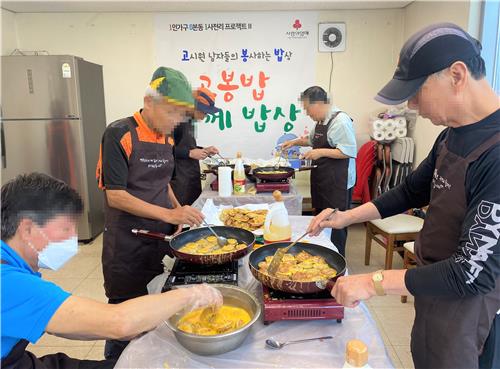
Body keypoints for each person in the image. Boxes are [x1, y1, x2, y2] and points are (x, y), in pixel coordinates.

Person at [308, 23, 499, 369]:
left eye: (417, 90)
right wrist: (346, 216)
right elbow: (411, 191)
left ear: (457, 75)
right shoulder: (451, 136)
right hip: (430, 285)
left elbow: (472, 272)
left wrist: (373, 281)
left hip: (467, 303)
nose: (411, 105)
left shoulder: (496, 154)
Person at [1, 172, 222, 369]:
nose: (72, 239)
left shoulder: (12, 267)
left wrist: (139, 324)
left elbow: (64, 324)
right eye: (65, 229)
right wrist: (192, 294)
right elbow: (119, 322)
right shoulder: (9, 283)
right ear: (28, 229)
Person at [95, 66, 205, 360]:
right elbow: (116, 196)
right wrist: (169, 216)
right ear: (149, 102)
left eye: (181, 115)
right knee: (125, 319)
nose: (176, 121)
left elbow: (163, 183)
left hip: (158, 240)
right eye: (171, 113)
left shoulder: (166, 137)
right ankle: (114, 363)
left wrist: (177, 208)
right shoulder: (119, 133)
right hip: (126, 245)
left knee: (155, 310)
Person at [282, 86, 356, 256]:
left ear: (319, 104)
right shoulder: (322, 121)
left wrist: (320, 152)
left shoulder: (341, 121)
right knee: (321, 219)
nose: (307, 113)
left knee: (336, 223)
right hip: (324, 178)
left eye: (308, 109)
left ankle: (337, 259)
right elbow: (310, 140)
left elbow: (348, 151)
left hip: (338, 181)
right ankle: (322, 254)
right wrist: (294, 142)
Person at [170, 86, 221, 206]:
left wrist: (203, 150)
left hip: (190, 176)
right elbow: (161, 150)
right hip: (178, 179)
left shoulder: (189, 122)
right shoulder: (174, 121)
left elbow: (186, 146)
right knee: (181, 216)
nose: (205, 116)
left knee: (193, 214)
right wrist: (190, 153)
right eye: (204, 112)